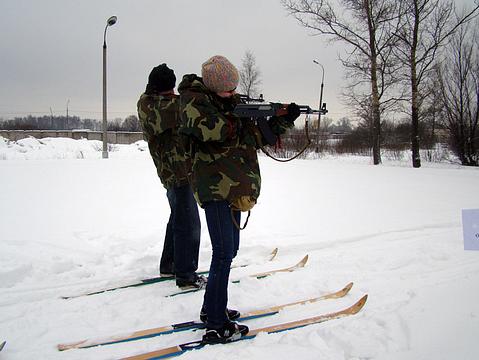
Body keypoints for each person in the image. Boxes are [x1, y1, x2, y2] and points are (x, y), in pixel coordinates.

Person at [178, 55, 300, 343]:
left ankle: (211, 310)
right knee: (222, 253)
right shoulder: (194, 102)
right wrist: (244, 114)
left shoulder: (228, 105)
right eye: (228, 90)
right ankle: (217, 325)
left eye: (234, 89)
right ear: (213, 86)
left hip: (234, 189)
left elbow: (258, 138)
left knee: (229, 251)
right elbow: (213, 131)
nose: (233, 94)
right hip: (215, 189)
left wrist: (280, 120)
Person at [137, 63, 206, 289]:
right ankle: (186, 274)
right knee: (189, 224)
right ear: (159, 90)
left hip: (181, 171)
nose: (173, 94)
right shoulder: (149, 105)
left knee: (179, 218)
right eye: (169, 92)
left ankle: (170, 264)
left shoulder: (164, 102)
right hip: (176, 174)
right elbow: (179, 109)